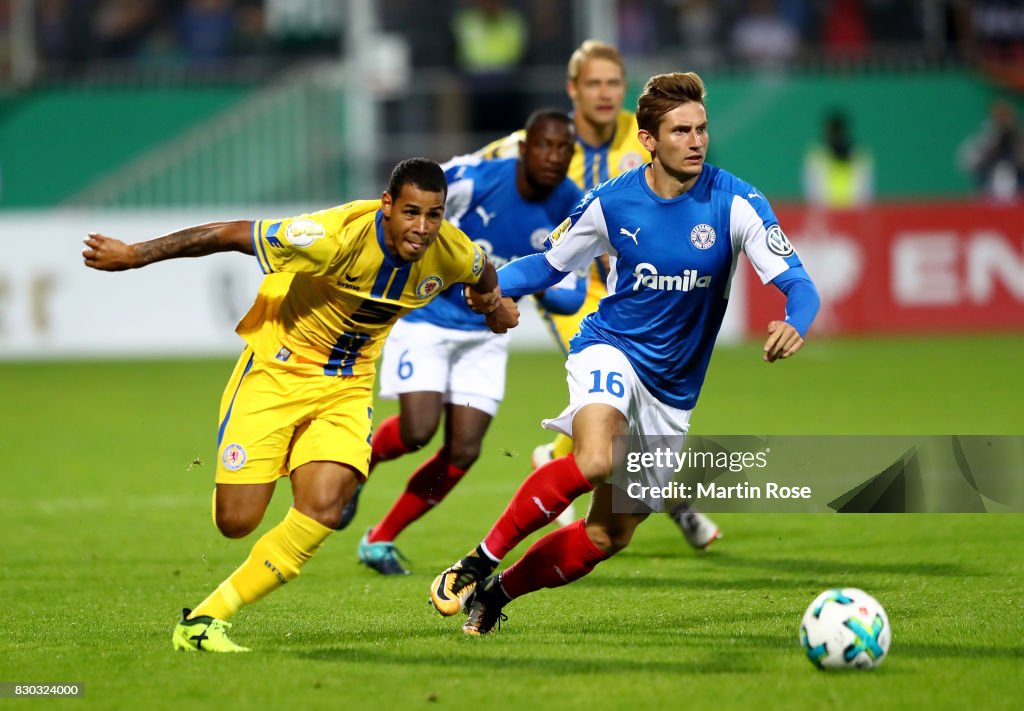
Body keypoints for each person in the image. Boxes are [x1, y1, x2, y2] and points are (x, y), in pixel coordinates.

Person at [428, 72, 820, 635]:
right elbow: (547, 264)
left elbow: (799, 283)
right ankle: (477, 561)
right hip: (611, 351)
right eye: (680, 130)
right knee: (594, 458)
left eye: (701, 129)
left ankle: (495, 593)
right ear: (648, 139)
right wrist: (487, 283)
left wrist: (795, 320)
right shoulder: (612, 203)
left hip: (673, 393)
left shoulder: (736, 202)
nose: (696, 141)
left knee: (607, 537)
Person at [82, 158, 518, 652]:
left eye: (434, 214)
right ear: (387, 205)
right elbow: (229, 233)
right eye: (411, 212)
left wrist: (494, 306)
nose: (422, 227)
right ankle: (270, 459)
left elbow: (482, 274)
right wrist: (136, 254)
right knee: (237, 522)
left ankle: (204, 621)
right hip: (278, 369)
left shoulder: (451, 250)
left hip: (347, 385)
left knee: (324, 507)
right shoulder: (331, 237)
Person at [476, 39, 720, 547]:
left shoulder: (649, 134)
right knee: (614, 409)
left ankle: (569, 464)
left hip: (635, 287)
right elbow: (476, 175)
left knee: (632, 415)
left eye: (614, 83)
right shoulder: (541, 142)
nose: (606, 94)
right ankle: (674, 507)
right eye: (594, 84)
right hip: (573, 290)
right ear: (573, 90)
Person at [342, 111, 586, 575]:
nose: (553, 157)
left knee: (464, 451)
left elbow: (571, 294)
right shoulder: (475, 180)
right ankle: (360, 460)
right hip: (428, 318)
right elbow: (410, 215)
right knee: (417, 431)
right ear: (524, 147)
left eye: (563, 150)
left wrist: (514, 287)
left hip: (484, 337)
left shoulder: (574, 206)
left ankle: (379, 539)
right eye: (543, 146)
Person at [802, 109, 874, 207]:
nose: (835, 136)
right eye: (832, 131)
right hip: (825, 213)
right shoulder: (816, 156)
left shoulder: (859, 155)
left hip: (853, 213)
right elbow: (811, 189)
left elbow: (865, 189)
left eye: (837, 131)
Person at [958, 97, 1024, 202]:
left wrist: (1016, 141)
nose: (1003, 121)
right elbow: (967, 163)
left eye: (1006, 117)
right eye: (999, 117)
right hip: (988, 193)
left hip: (1018, 194)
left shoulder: (1018, 138)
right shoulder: (985, 137)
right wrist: (991, 142)